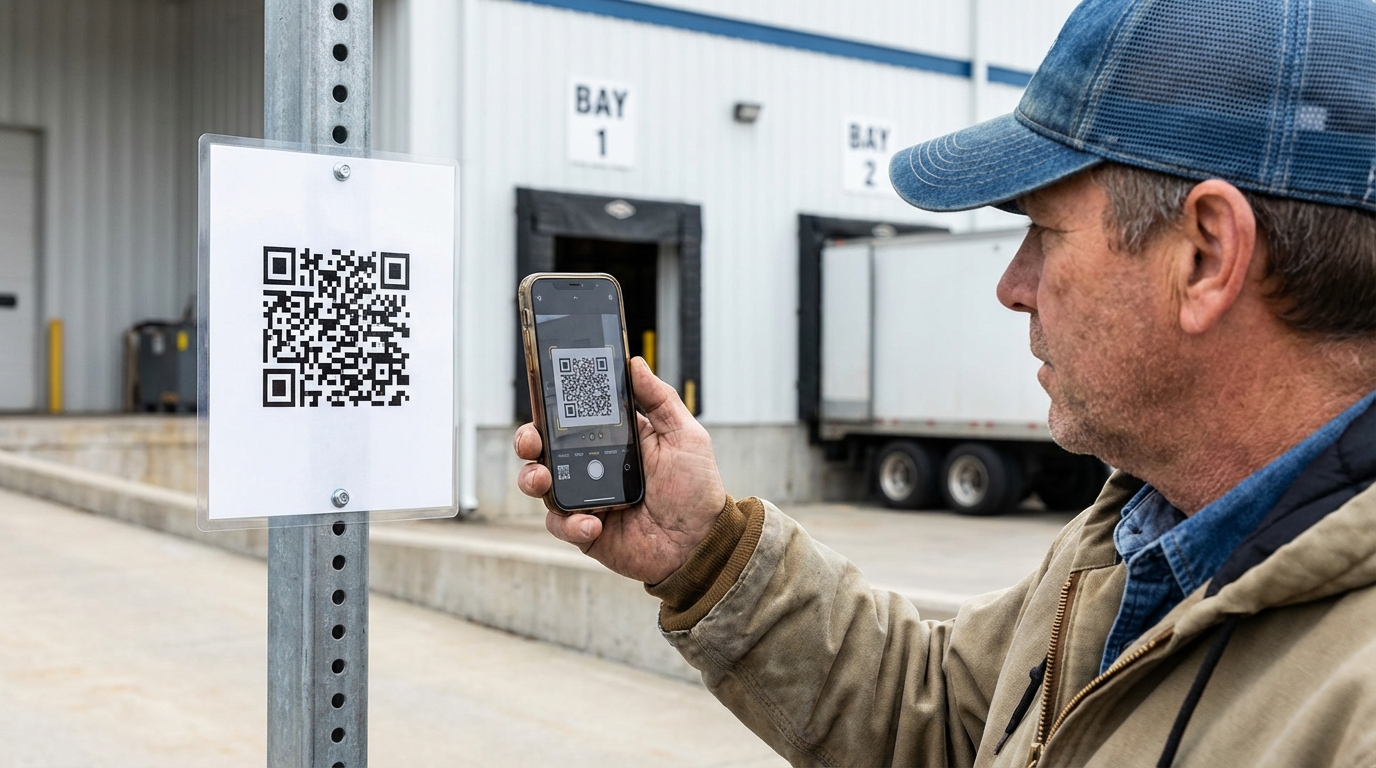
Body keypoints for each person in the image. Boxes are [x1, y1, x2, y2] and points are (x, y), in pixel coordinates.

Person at [514, 0, 1376, 764]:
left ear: (1206, 255)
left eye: (1044, 230)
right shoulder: (1129, 539)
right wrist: (703, 549)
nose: (1013, 284)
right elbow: (943, 719)